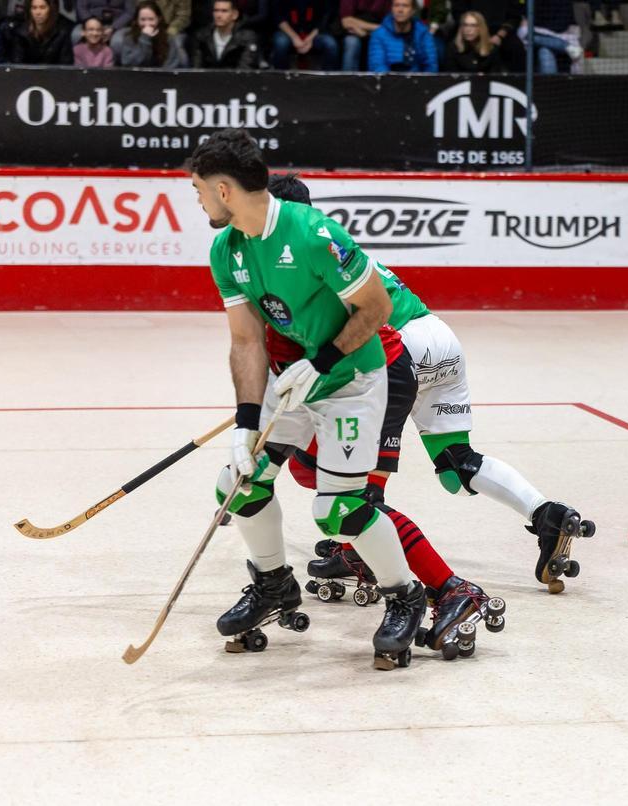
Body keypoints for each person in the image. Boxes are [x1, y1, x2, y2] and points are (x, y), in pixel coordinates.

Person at [267, 173, 595, 591]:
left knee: (334, 470)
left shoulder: (296, 254)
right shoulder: (329, 239)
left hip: (398, 347)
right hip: (438, 335)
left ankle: (358, 554)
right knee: (457, 465)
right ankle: (546, 512)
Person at [189, 130, 428, 669]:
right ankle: (273, 584)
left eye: (199, 190)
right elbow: (246, 340)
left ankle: (405, 597)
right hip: (292, 383)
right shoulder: (226, 250)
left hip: (352, 382)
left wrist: (319, 363)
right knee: (238, 483)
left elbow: (378, 308)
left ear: (224, 190)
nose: (197, 200)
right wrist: (246, 424)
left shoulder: (315, 234)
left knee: (338, 510)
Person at [265, 173, 501, 651]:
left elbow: (370, 320)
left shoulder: (321, 254)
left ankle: (450, 590)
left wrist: (312, 373)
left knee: (356, 502)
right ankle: (360, 549)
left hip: (380, 376)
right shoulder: (261, 260)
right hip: (336, 385)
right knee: (307, 471)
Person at [449, 0, 521, 71]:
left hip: (500, 31)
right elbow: (458, 12)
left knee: (516, 49)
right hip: (471, 24)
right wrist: (469, 25)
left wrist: (500, 35)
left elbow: (514, 16)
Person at [367, 0, 434, 73]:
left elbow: (431, 66)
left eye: (405, 6)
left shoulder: (423, 34)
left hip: (418, 80)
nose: (400, 10)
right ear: (391, 9)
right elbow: (377, 66)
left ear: (413, 10)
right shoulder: (379, 34)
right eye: (396, 5)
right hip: (387, 81)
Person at [270, 0, 338, 70]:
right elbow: (278, 18)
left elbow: (325, 18)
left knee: (330, 44)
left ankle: (328, 77)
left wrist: (309, 39)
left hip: (314, 33)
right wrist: (294, 37)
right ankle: (281, 75)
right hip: (289, 32)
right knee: (280, 42)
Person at [113, 0, 185, 65]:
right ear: (137, 20)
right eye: (143, 20)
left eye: (151, 19)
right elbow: (129, 63)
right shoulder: (130, 38)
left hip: (162, 77)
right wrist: (145, 39)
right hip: (139, 77)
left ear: (158, 19)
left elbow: (172, 64)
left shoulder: (168, 38)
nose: (147, 24)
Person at [191, 0, 258, 67]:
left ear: (235, 14)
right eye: (216, 10)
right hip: (207, 77)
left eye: (224, 11)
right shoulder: (202, 36)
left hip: (235, 77)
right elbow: (196, 69)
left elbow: (245, 70)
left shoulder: (246, 38)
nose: (219, 15)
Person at [4, 0, 74, 63]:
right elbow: (17, 64)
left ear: (50, 9)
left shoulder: (62, 32)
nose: (38, 12)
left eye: (42, 7)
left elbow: (65, 64)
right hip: (27, 75)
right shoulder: (21, 33)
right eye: (34, 8)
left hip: (53, 75)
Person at [523, 0, 581, 74]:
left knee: (544, 50)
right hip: (537, 33)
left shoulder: (564, 3)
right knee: (527, 35)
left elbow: (562, 25)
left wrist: (547, 32)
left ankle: (550, 84)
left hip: (560, 35)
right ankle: (565, 46)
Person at [338, 0, 386, 71]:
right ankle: (348, 80)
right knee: (351, 42)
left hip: (377, 33)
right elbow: (346, 21)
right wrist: (376, 28)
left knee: (385, 40)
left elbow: (389, 25)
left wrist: (368, 32)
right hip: (352, 33)